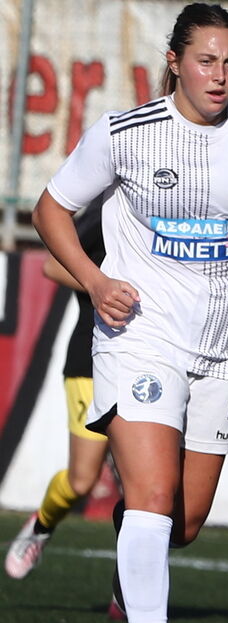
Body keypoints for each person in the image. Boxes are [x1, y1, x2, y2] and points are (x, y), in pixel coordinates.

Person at [30, 2, 228, 623]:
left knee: (181, 521)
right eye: (207, 60)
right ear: (176, 61)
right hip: (141, 335)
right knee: (152, 497)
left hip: (227, 346)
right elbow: (50, 210)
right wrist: (95, 282)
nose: (220, 75)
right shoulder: (125, 132)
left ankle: (136, 536)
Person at [5, 194, 112, 580]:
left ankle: (131, 588)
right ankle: (41, 524)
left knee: (152, 488)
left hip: (159, 362)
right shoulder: (107, 208)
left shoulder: (193, 204)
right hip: (93, 358)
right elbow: (53, 266)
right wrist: (103, 285)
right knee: (82, 479)